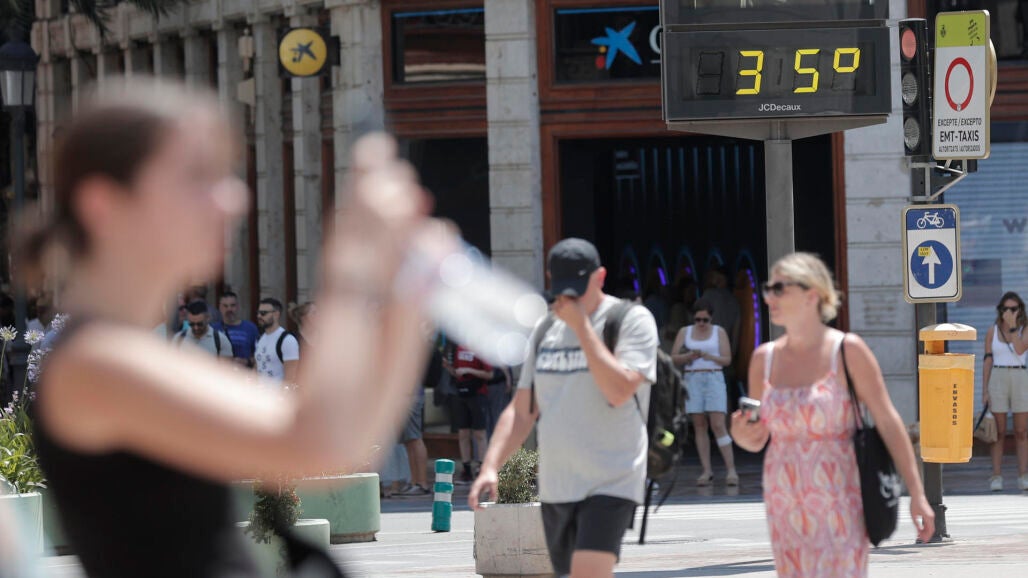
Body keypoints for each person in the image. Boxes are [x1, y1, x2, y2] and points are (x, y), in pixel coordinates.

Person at [18, 79, 445, 578]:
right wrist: (353, 266)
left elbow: (346, 440)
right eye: (197, 176)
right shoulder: (94, 362)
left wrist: (405, 290)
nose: (234, 198)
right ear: (104, 203)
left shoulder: (120, 351)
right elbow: (316, 442)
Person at [732, 252, 933, 578]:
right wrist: (741, 433)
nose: (769, 298)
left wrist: (916, 493)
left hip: (841, 497)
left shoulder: (847, 351)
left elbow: (887, 420)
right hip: (785, 500)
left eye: (780, 289)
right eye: (769, 289)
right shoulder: (763, 359)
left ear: (812, 295)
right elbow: (757, 439)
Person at [469, 238, 658, 578]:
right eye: (562, 289)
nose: (570, 298)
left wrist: (582, 328)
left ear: (600, 277)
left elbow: (619, 391)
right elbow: (522, 410)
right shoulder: (545, 330)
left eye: (578, 289)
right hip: (558, 484)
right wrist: (491, 466)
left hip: (612, 478)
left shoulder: (631, 320)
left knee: (588, 572)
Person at [670, 298, 737, 486]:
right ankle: (706, 470)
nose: (701, 323)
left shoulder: (719, 332)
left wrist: (708, 356)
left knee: (718, 424)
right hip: (693, 378)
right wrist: (688, 356)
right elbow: (673, 357)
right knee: (699, 424)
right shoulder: (685, 332)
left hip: (714, 376)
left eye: (705, 320)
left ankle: (731, 469)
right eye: (697, 319)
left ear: (711, 319)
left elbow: (727, 359)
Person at [982, 291, 1028, 492]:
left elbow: (1020, 350)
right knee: (998, 432)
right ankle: (996, 476)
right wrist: (984, 390)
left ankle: (1023, 475)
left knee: (1021, 431)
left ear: (1020, 310)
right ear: (1000, 310)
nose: (1009, 312)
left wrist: (1013, 326)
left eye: (1013, 309)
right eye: (1005, 309)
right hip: (998, 376)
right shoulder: (992, 330)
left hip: (1020, 376)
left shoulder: (1024, 328)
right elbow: (987, 360)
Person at [446, 342, 492, 484]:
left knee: (479, 433)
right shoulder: (459, 347)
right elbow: (457, 372)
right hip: (462, 393)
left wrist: (469, 370)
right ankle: (466, 469)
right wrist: (448, 367)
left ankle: (482, 467)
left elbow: (489, 374)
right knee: (463, 432)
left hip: (477, 393)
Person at [255, 297, 300, 385]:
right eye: (258, 313)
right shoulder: (260, 339)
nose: (259, 316)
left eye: (263, 313)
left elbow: (291, 377)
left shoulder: (287, 340)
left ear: (276, 314)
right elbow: (258, 367)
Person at [213, 291, 259, 368]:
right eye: (225, 306)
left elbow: (260, 356)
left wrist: (247, 361)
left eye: (232, 305)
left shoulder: (250, 328)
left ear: (238, 307)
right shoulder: (213, 329)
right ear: (220, 307)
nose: (229, 309)